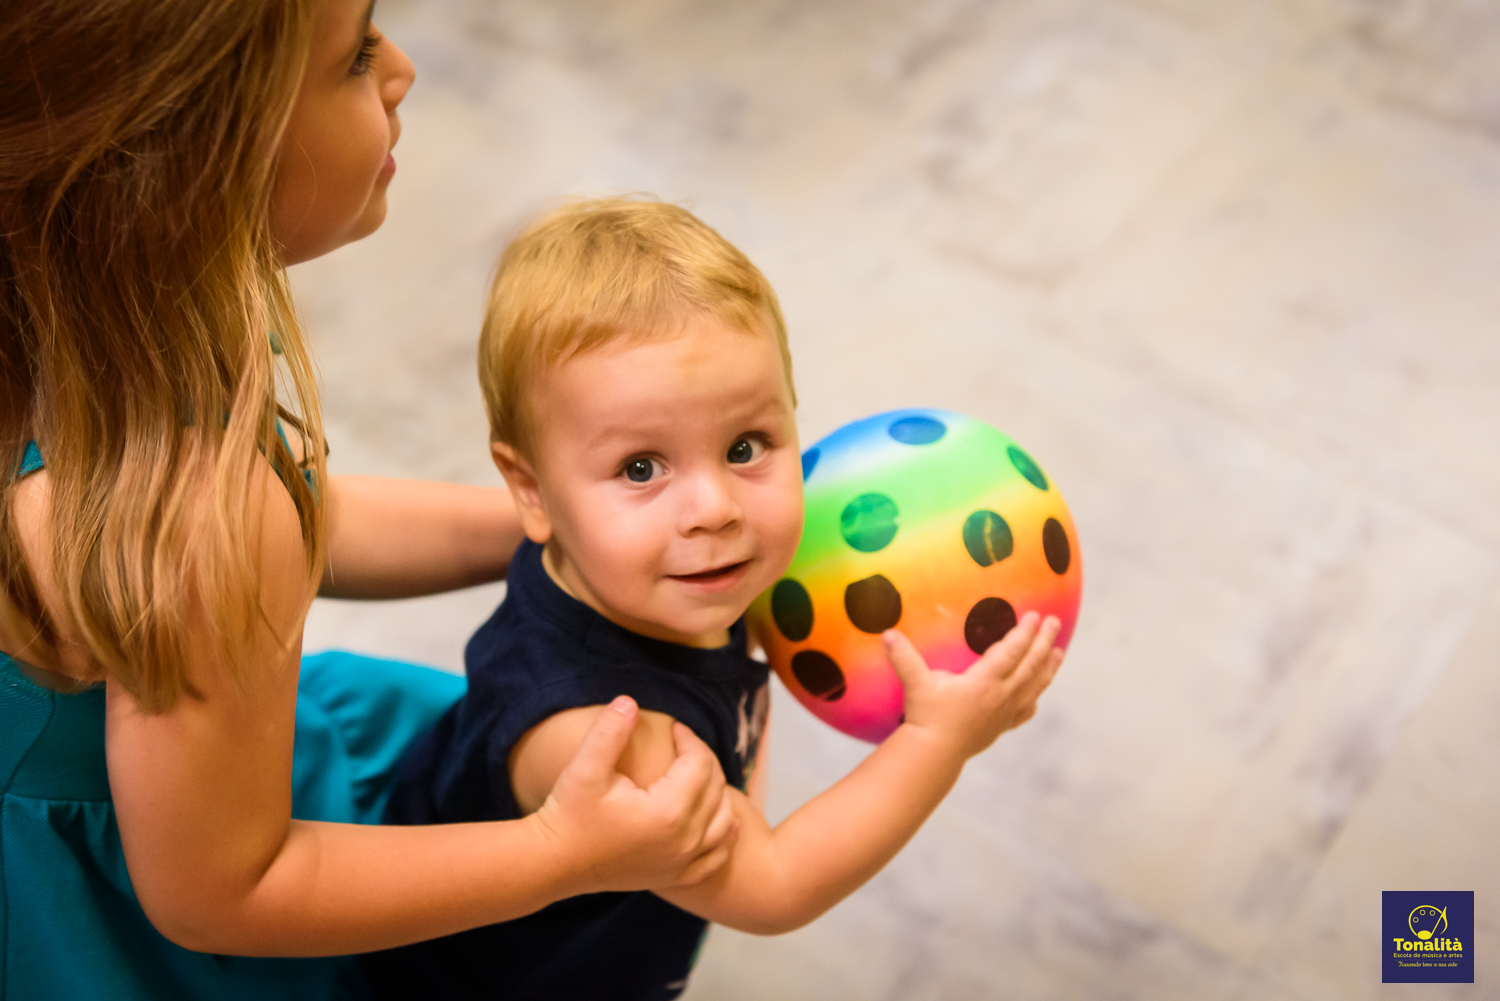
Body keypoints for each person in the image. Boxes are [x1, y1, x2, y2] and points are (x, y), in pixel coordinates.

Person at [0, 3, 739, 999]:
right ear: (187, 160)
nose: (404, 69)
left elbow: (311, 522)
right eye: (354, 56)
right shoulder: (196, 513)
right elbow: (225, 889)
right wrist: (564, 851)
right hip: (155, 904)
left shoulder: (80, 308)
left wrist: (569, 523)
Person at [362, 198, 1065, 1000]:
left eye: (744, 446)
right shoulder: (604, 733)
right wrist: (937, 740)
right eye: (640, 467)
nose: (715, 509)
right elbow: (773, 882)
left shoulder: (638, 573)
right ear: (533, 489)